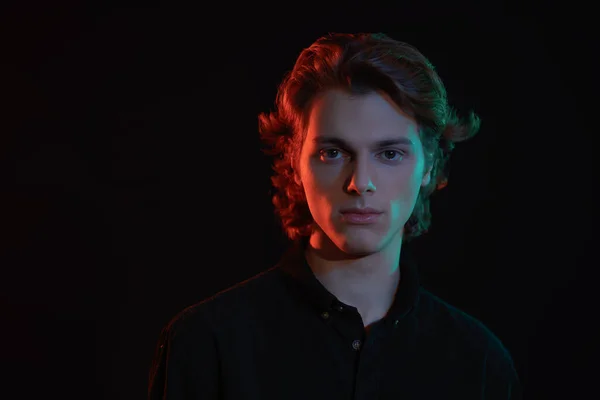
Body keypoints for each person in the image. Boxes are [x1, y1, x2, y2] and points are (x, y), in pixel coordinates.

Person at [148, 32, 521, 399]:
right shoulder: (206, 344)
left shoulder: (481, 364)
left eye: (389, 154)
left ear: (429, 166)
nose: (360, 183)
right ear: (294, 162)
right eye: (333, 153)